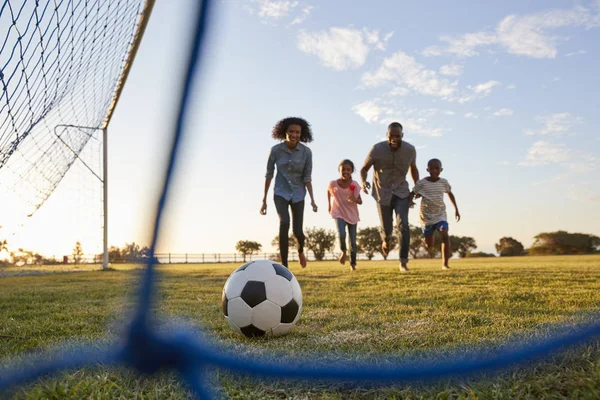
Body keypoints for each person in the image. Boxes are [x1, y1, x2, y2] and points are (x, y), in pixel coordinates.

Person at [360, 122, 419, 272]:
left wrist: (417, 186)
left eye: (397, 136)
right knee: (387, 230)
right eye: (391, 135)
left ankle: (403, 262)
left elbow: (413, 168)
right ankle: (385, 241)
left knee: (403, 225)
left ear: (402, 135)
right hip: (382, 193)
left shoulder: (410, 150)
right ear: (387, 135)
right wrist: (363, 181)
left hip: (402, 192)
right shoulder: (377, 149)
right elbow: (364, 169)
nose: (394, 138)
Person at [260, 117, 318, 269]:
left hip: (299, 193)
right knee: (284, 222)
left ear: (302, 133)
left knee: (297, 230)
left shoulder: (307, 152)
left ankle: (300, 251)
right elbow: (269, 175)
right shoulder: (275, 151)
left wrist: (312, 199)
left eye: (297, 132)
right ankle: (284, 265)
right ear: (284, 132)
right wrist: (264, 200)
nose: (294, 135)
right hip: (280, 192)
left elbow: (307, 177)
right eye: (291, 131)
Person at [408, 158, 460, 269]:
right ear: (428, 169)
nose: (435, 171)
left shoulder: (443, 182)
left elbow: (450, 194)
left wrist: (456, 209)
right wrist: (410, 202)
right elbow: (412, 193)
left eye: (437, 168)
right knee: (429, 244)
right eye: (432, 169)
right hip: (426, 217)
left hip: (440, 215)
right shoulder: (421, 183)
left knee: (444, 234)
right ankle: (427, 239)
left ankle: (445, 264)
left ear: (441, 169)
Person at [327, 159, 362, 271]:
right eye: (343, 170)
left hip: (351, 215)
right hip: (338, 212)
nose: (345, 172)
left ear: (351, 171)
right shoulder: (333, 183)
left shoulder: (354, 185)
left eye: (348, 170)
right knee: (341, 233)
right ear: (339, 170)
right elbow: (328, 191)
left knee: (352, 240)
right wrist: (329, 204)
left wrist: (354, 199)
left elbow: (360, 201)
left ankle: (353, 264)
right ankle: (343, 251)